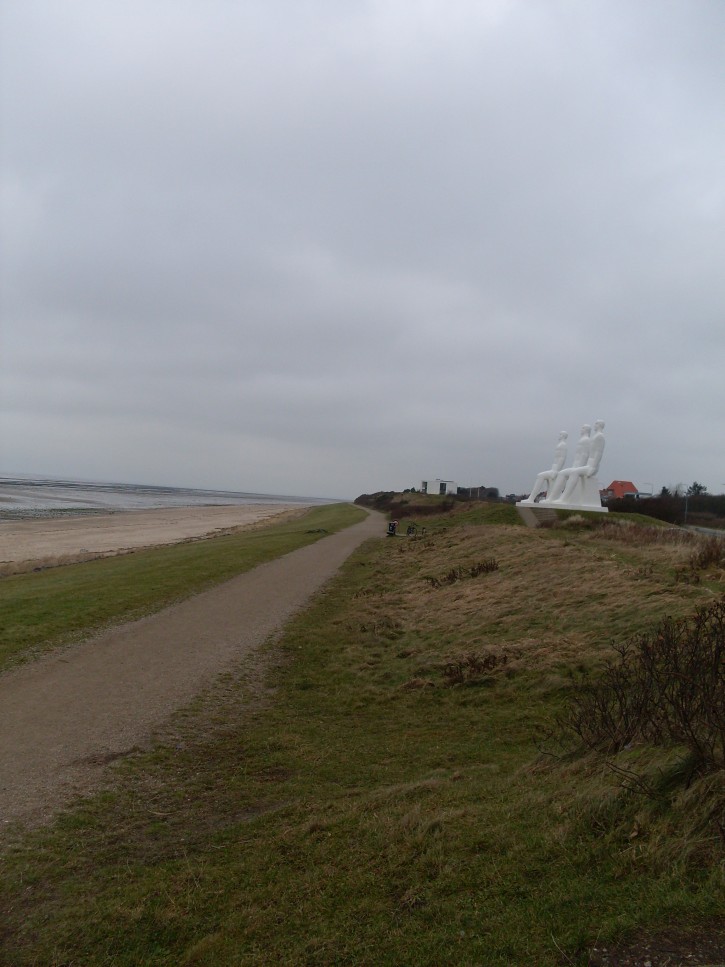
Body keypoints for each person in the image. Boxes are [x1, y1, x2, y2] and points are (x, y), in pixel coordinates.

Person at [550, 421, 605, 504]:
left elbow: (599, 452)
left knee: (574, 472)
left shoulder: (600, 436)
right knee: (562, 473)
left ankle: (564, 499)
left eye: (596, 423)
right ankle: (552, 498)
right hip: (588, 465)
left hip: (592, 467)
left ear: (600, 425)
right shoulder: (594, 437)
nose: (595, 425)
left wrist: (593, 467)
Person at [546, 424, 591, 503]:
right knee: (562, 473)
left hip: (579, 467)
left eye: (583, 428)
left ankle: (561, 499)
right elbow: (578, 455)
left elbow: (585, 454)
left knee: (563, 473)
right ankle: (552, 498)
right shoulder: (582, 440)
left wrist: (578, 467)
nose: (581, 430)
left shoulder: (586, 440)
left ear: (586, 430)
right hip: (576, 466)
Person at [525, 431, 568, 503]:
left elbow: (562, 458)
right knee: (543, 478)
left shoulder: (563, 445)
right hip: (553, 469)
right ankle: (532, 498)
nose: (559, 436)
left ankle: (531, 498)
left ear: (563, 436)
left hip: (555, 470)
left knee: (540, 476)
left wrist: (556, 470)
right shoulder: (560, 445)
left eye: (560, 434)